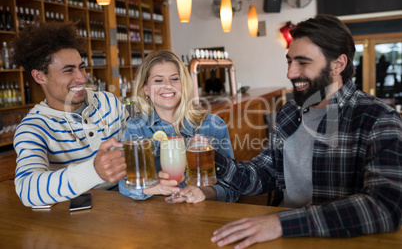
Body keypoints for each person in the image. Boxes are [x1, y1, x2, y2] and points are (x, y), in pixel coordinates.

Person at [211, 14, 402, 248]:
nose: (290, 73)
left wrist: (281, 223)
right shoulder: (289, 112)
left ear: (338, 65)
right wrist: (211, 160)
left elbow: (384, 206)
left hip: (334, 239)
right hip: (278, 236)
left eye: (303, 62)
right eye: (289, 61)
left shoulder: (378, 118)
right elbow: (265, 174)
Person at [11, 21, 128, 207]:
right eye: (68, 70)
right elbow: (27, 190)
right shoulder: (33, 128)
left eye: (81, 67)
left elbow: (139, 144)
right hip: (79, 223)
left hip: (130, 203)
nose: (82, 77)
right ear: (39, 76)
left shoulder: (108, 101)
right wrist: (94, 171)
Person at [119, 50, 238, 203]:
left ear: (183, 84)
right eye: (158, 81)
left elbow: (233, 188)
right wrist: (154, 187)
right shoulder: (137, 129)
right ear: (146, 89)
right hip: (158, 219)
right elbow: (123, 183)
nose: (168, 86)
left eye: (174, 79)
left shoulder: (212, 125)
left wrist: (204, 192)